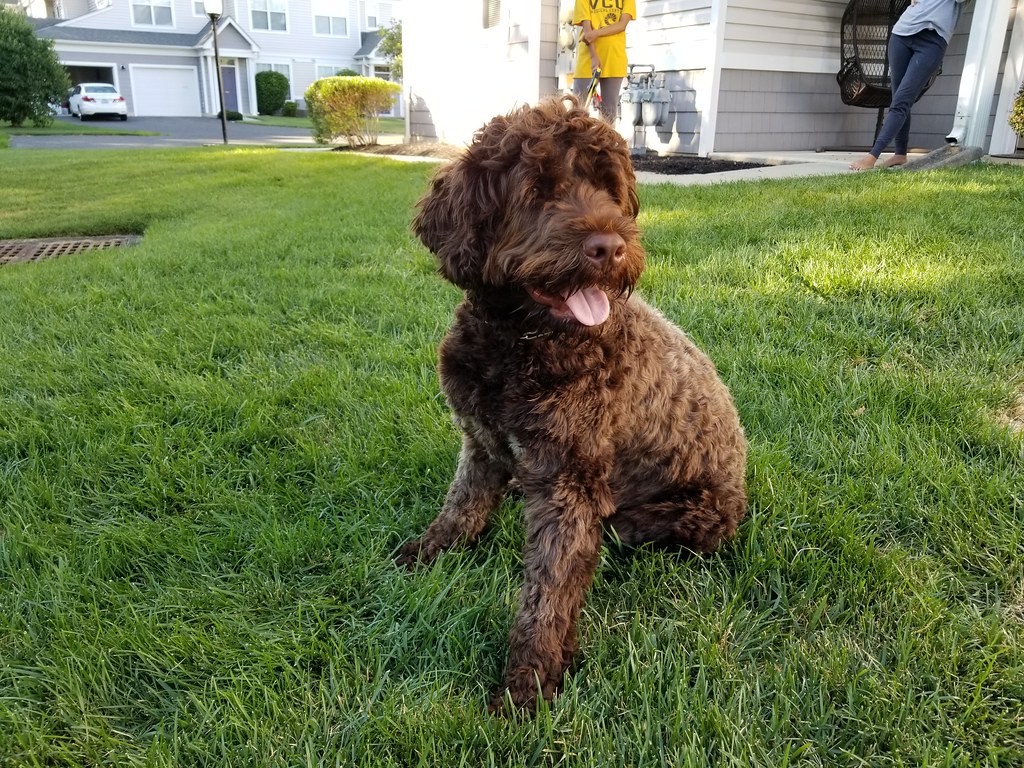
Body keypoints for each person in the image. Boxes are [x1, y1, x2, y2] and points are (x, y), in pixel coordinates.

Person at [850, 0, 970, 170]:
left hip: (933, 42)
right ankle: (900, 154)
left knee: (902, 100)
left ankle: (872, 156)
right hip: (902, 34)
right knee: (898, 97)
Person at [572, 0, 635, 123]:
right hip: (588, 57)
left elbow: (622, 25)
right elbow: (587, 31)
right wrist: (594, 57)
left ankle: (606, 142)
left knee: (609, 113)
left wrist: (598, 32)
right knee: (578, 110)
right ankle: (574, 142)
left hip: (614, 56)